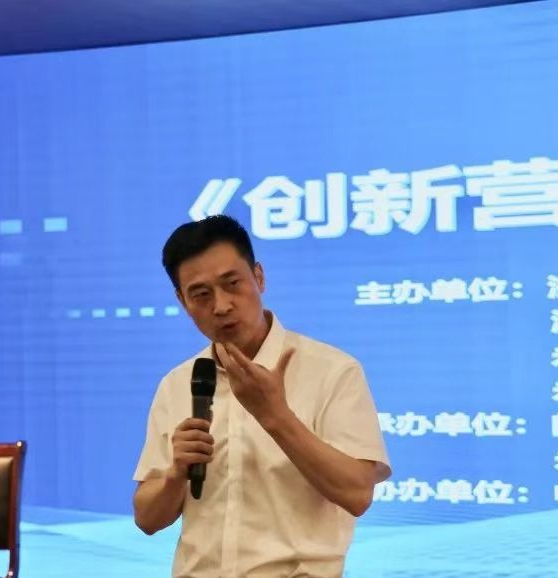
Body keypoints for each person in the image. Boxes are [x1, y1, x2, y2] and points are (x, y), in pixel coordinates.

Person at [132, 215, 391, 578]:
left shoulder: (333, 371)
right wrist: (175, 475)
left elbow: (357, 494)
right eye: (201, 295)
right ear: (183, 301)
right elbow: (146, 518)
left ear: (259, 277)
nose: (221, 306)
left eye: (232, 284)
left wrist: (276, 417)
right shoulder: (177, 384)